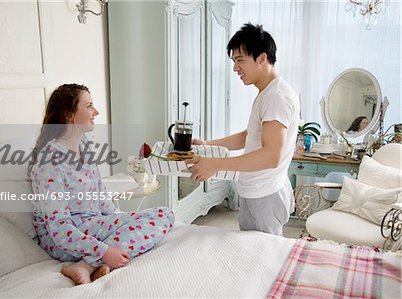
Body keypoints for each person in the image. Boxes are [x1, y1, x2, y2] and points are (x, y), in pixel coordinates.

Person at [29, 84, 174, 285]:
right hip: (65, 238)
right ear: (68, 115)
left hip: (92, 225)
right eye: (88, 106)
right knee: (162, 215)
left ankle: (86, 265)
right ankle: (88, 263)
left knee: (164, 215)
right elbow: (59, 229)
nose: (95, 112)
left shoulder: (84, 145)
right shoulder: (49, 162)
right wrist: (104, 251)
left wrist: (119, 219)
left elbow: (100, 194)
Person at [187, 23, 299, 236]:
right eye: (233, 61)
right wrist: (209, 145)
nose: (235, 68)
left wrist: (216, 164)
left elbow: (271, 156)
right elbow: (249, 136)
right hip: (260, 191)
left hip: (264, 195)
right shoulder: (268, 92)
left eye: (240, 60)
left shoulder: (276, 97)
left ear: (262, 58)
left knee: (261, 258)